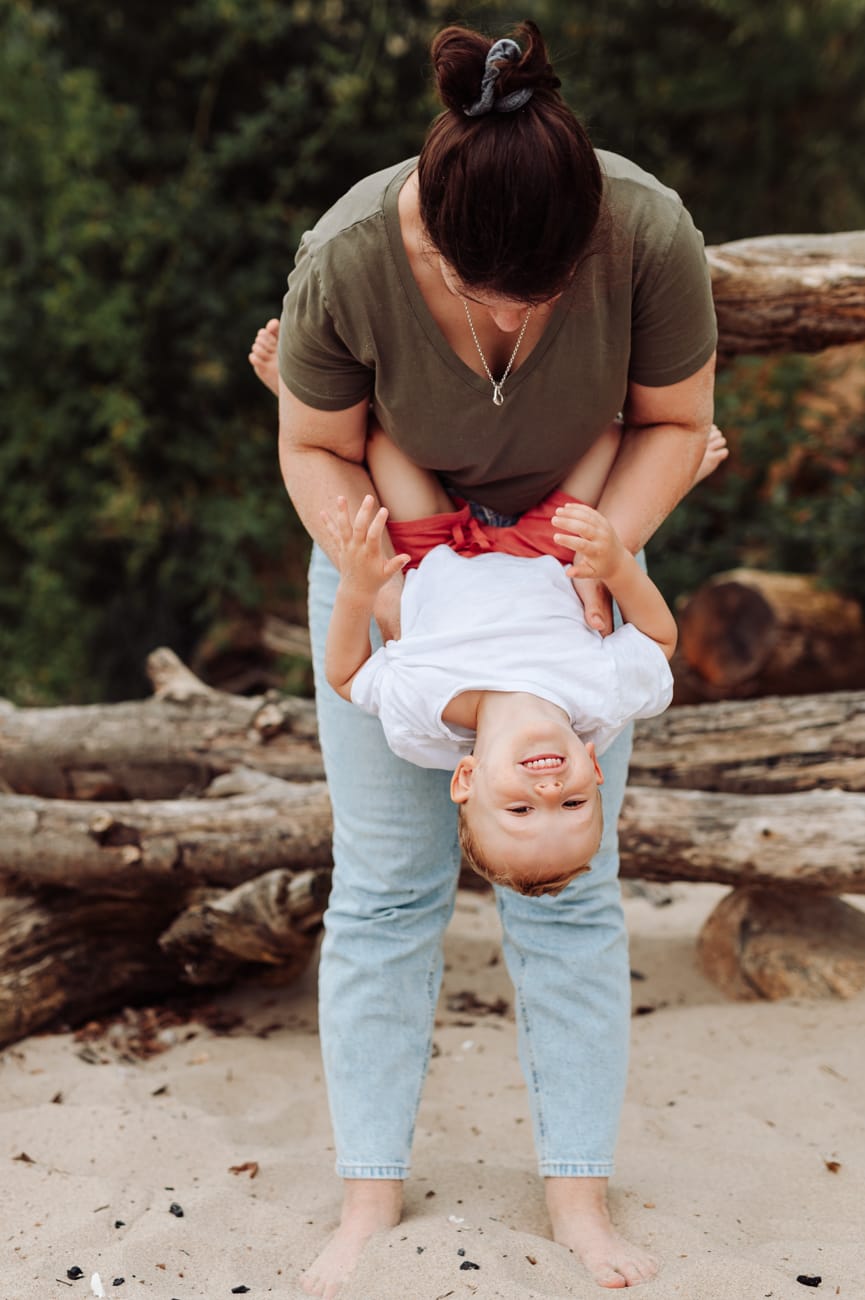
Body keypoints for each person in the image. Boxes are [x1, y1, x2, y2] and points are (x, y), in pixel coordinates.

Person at [258, 20, 719, 1293]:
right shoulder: (349, 256)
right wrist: (379, 578)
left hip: (579, 564)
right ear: (433, 237)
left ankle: (579, 1195)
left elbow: (674, 421)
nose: (520, 315)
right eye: (492, 291)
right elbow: (316, 446)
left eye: (548, 289)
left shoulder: (648, 230)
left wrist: (606, 551)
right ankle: (367, 1198)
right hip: (392, 562)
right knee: (385, 891)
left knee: (569, 893)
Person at [320, 425, 679, 896]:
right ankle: (688, 470)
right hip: (549, 550)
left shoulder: (421, 708)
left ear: (467, 778)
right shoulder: (604, 694)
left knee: (380, 440)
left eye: (521, 810)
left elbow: (346, 677)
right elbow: (658, 640)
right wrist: (617, 566)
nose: (549, 792)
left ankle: (309, 415)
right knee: (607, 436)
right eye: (573, 803)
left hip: (431, 553)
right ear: (594, 770)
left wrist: (356, 590)